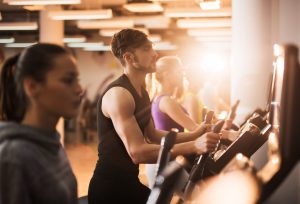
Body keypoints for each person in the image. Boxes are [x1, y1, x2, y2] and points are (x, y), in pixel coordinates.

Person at [88, 29, 220, 204]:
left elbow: (153, 135)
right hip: (111, 189)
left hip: (129, 183)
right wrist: (194, 146)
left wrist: (195, 134)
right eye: (146, 49)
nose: (155, 54)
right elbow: (137, 153)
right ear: (129, 58)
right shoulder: (119, 95)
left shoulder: (141, 92)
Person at [0, 43, 82, 204]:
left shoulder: (51, 142)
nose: (79, 89)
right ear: (32, 86)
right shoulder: (14, 157)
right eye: (68, 81)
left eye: (77, 80)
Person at [145, 56, 204, 187]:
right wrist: (226, 132)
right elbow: (195, 128)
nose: (182, 75)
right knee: (197, 195)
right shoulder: (167, 101)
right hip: (164, 162)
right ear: (167, 75)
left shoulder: (161, 99)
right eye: (178, 72)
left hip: (166, 159)